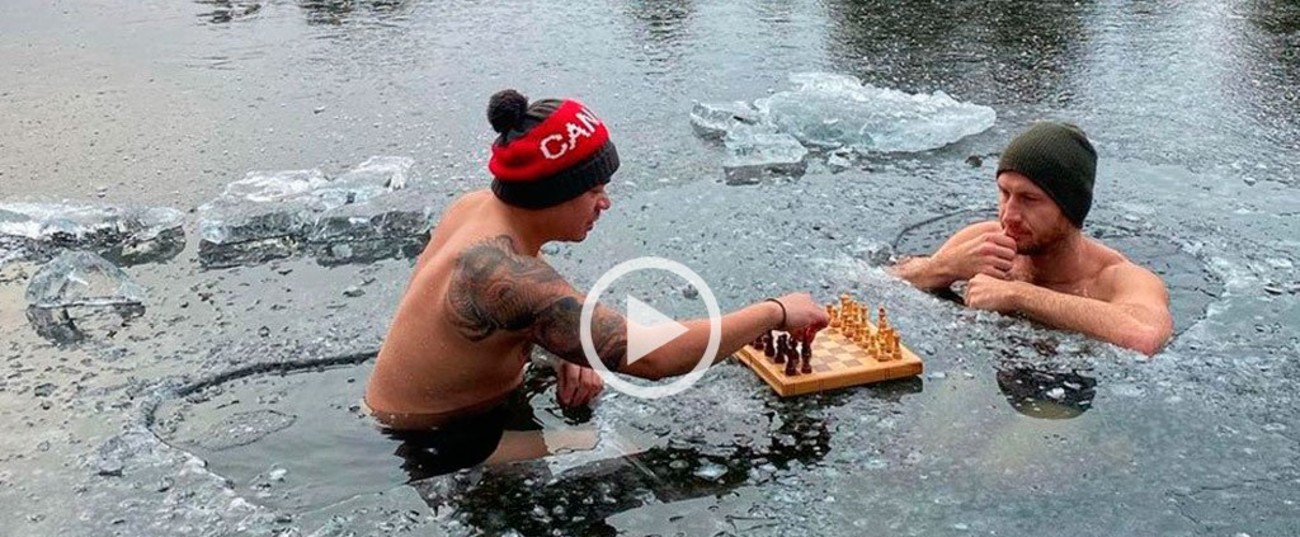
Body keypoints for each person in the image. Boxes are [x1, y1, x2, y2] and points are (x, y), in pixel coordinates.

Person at [364, 89, 829, 431]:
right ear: (552, 193)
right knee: (623, 459)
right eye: (593, 190)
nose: (604, 204)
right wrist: (776, 311)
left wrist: (562, 345)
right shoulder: (503, 274)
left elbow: (524, 315)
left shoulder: (476, 207)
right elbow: (654, 356)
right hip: (433, 439)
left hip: (417, 407)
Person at [889, 121, 1173, 356]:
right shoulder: (981, 241)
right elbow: (885, 282)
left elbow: (1144, 337)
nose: (1009, 214)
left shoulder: (1118, 279)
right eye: (1004, 193)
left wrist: (1018, 295)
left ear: (1069, 207)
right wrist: (946, 266)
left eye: (1029, 199)